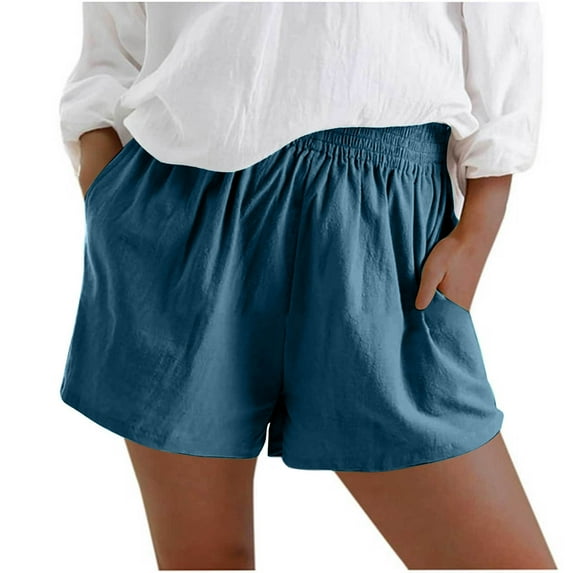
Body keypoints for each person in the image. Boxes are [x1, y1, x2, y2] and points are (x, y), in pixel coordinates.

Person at [58, 2, 556, 570]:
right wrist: (104, 179)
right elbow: (114, 35)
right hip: (184, 203)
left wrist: (484, 216)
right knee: (205, 559)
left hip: (380, 223)